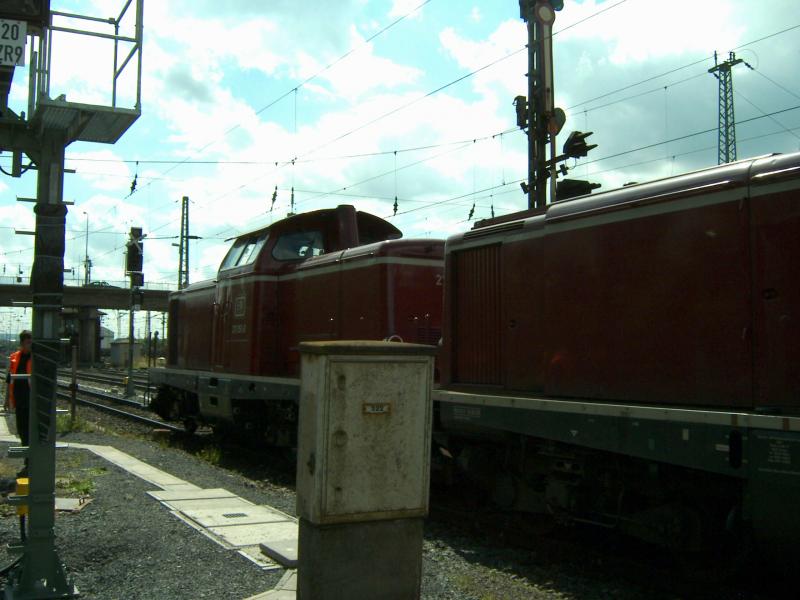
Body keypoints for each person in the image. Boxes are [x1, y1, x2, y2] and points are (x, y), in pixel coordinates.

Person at [6, 331, 32, 454]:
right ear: (22, 343)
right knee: (22, 432)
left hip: (32, 402)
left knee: (31, 433)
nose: (30, 345)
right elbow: (9, 380)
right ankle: (27, 461)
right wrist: (7, 400)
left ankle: (30, 463)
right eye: (28, 342)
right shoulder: (14, 357)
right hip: (20, 402)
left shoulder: (36, 358)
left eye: (32, 342)